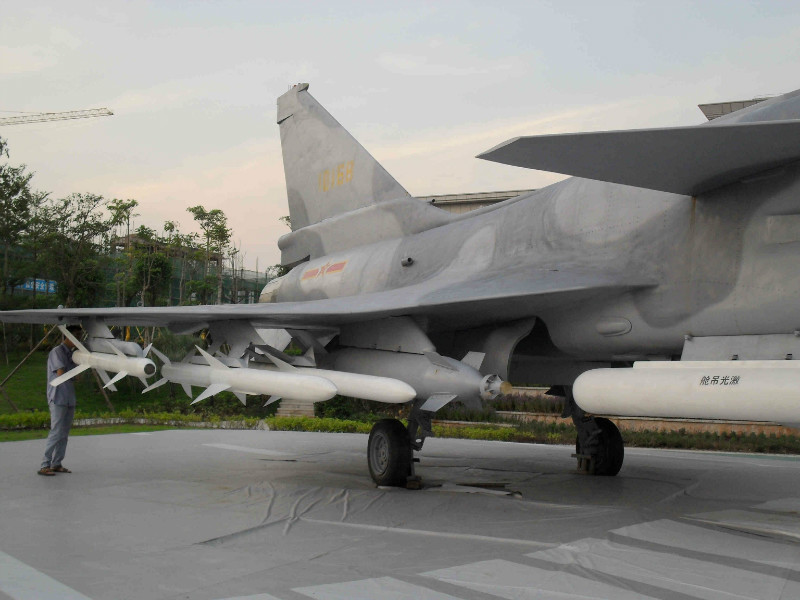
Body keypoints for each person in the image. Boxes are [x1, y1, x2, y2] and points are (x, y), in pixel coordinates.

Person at [38, 325, 82, 476]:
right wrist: (74, 366)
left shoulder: (73, 354)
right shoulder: (57, 352)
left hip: (69, 398)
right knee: (56, 431)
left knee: (64, 433)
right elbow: (60, 373)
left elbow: (77, 377)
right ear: (68, 336)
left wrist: (82, 360)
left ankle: (57, 463)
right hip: (58, 397)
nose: (79, 339)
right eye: (77, 336)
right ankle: (45, 464)